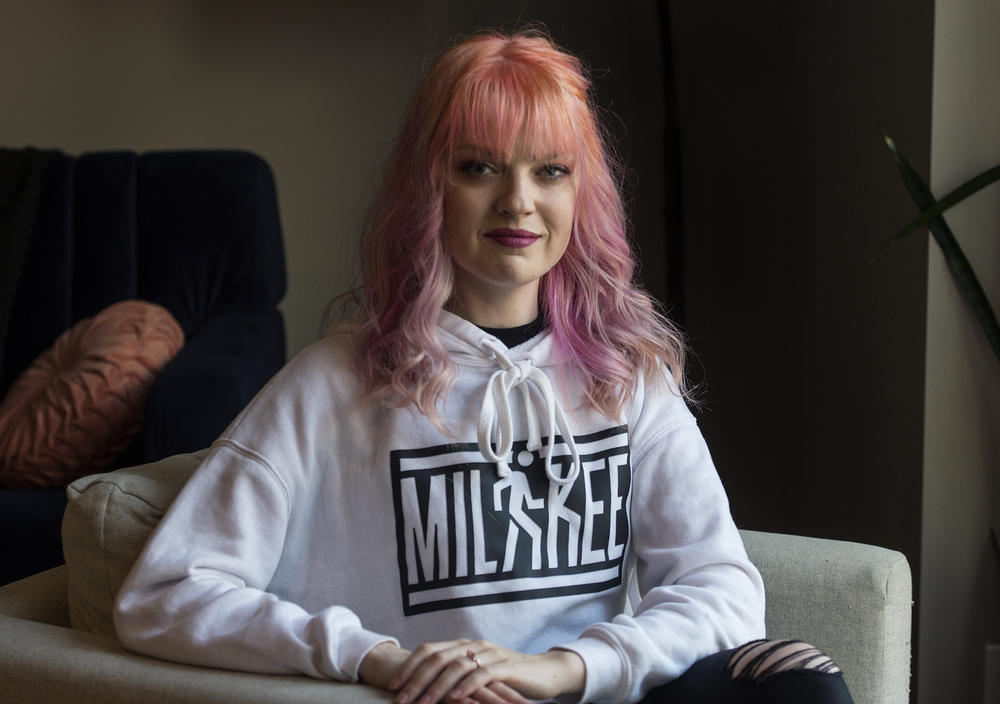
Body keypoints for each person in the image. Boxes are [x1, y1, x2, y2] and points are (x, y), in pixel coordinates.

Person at [114, 30, 853, 704]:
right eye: (480, 167)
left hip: (581, 689)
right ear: (430, 189)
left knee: (799, 684)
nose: (518, 202)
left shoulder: (626, 378)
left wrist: (567, 666)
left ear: (579, 193)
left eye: (550, 170)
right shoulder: (332, 382)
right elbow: (167, 593)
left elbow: (720, 589)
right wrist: (373, 657)